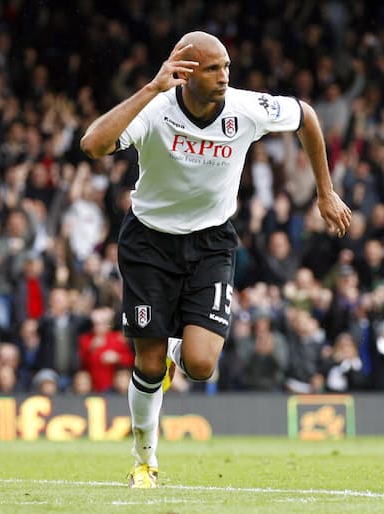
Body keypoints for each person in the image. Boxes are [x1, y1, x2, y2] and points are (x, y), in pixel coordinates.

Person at [80, 31, 351, 488]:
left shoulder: (246, 108)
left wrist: (325, 191)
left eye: (226, 66)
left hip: (210, 243)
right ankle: (144, 461)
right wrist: (150, 88)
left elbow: (306, 115)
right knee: (148, 365)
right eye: (212, 68)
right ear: (185, 72)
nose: (224, 76)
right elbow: (92, 144)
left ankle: (173, 348)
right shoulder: (156, 109)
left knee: (202, 364)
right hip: (149, 243)